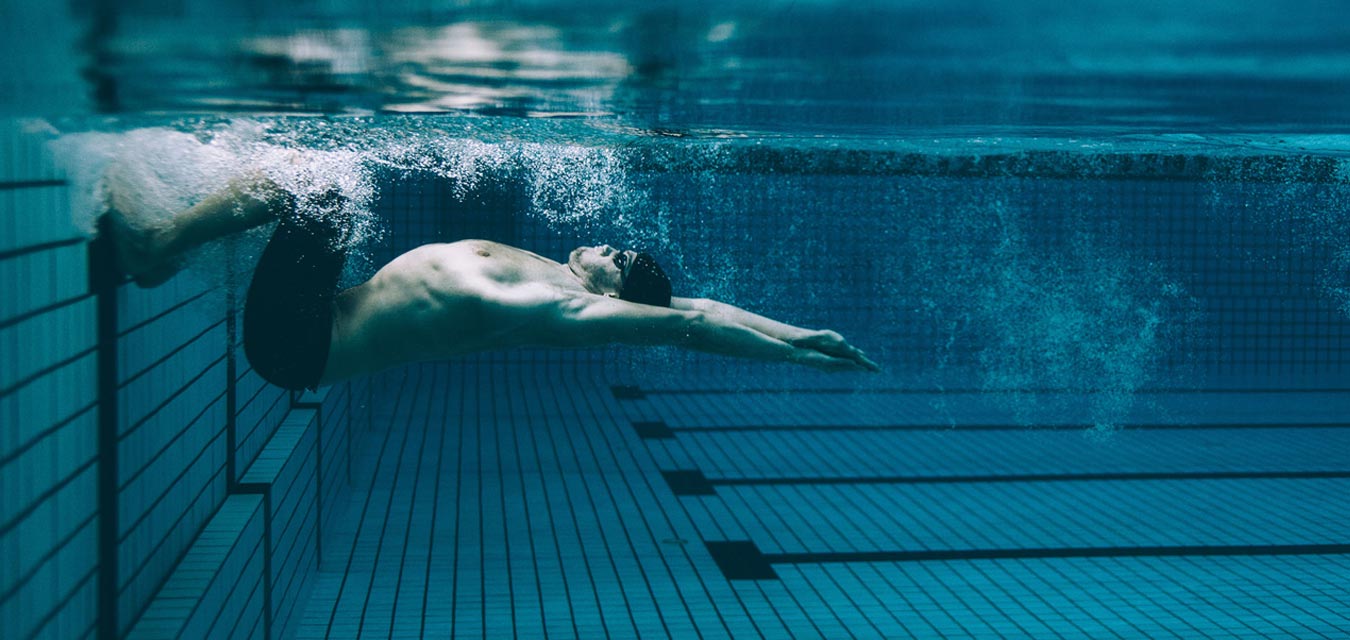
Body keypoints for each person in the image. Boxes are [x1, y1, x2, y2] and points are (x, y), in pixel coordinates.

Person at [103, 172, 880, 391]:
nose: (610, 244)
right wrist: (800, 334)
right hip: (316, 319)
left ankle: (157, 247)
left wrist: (785, 361)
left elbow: (683, 325)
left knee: (326, 189)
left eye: (619, 257)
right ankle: (169, 248)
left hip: (297, 346)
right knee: (324, 187)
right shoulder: (576, 281)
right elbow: (700, 304)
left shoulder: (558, 305)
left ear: (609, 293)